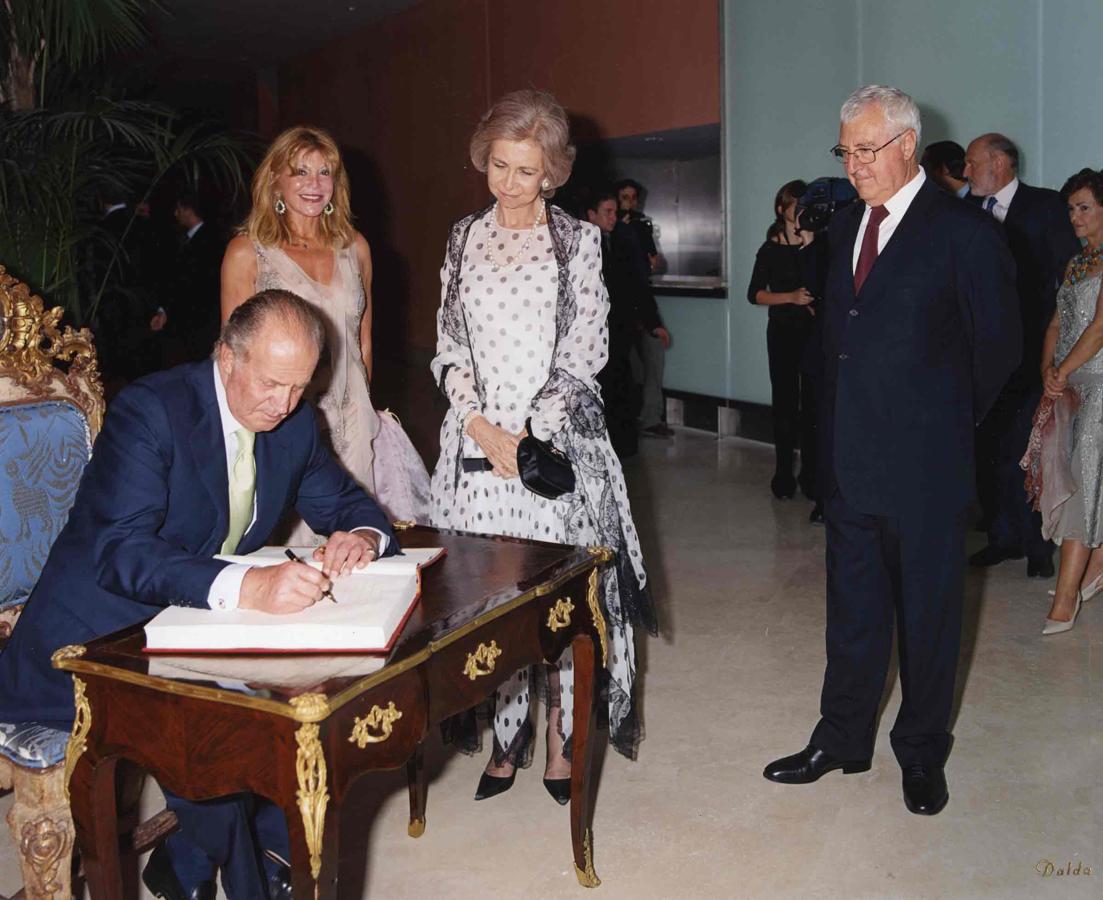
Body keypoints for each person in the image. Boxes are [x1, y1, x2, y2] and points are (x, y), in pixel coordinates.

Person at [0, 290, 398, 899]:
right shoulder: (152, 411)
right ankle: (249, 879)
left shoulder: (293, 423)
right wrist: (250, 584)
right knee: (224, 739)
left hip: (194, 631)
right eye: (271, 384)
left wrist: (362, 538)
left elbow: (347, 505)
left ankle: (193, 863)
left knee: (310, 706)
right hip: (90, 643)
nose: (284, 404)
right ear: (227, 357)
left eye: (299, 387)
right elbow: (121, 552)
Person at [763, 85, 1019, 816]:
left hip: (926, 467)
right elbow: (840, 336)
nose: (853, 164)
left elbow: (999, 347)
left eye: (866, 149)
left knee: (929, 618)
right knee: (851, 612)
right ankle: (842, 738)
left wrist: (943, 428)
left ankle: (921, 751)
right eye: (844, 151)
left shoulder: (962, 231)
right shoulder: (846, 224)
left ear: (907, 145)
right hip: (848, 461)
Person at [429, 89, 656, 804]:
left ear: (552, 172)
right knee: (490, 600)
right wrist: (478, 424)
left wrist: (528, 433)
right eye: (498, 165)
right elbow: (449, 346)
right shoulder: (462, 237)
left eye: (525, 170)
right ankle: (505, 741)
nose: (508, 182)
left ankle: (560, 743)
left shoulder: (577, 241)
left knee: (552, 602)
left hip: (548, 451)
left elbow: (584, 351)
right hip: (474, 447)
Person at [221, 125, 430, 535]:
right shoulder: (248, 253)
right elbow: (231, 355)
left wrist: (362, 409)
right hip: (283, 420)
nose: (314, 185)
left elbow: (362, 342)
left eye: (324, 173)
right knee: (294, 541)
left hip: (352, 422)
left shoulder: (356, 248)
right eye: (300, 172)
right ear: (275, 180)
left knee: (353, 538)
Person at [964, 133, 1080, 578]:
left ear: (999, 162)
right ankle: (1001, 537)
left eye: (972, 163)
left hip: (1034, 353)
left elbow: (1068, 278)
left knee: (1029, 449)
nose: (966, 172)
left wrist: (1059, 349)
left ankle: (1036, 546)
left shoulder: (1046, 207)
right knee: (988, 447)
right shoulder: (965, 211)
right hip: (980, 355)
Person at [1023, 167, 1103, 633]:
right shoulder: (1077, 262)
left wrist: (1064, 371)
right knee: (1083, 480)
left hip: (1099, 384)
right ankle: (1092, 570)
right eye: (1071, 208)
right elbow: (1056, 323)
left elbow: (1099, 328)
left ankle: (1067, 596)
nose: (1075, 217)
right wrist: (1047, 371)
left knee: (1084, 485)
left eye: (1084, 207)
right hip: (1070, 386)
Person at [747, 179, 826, 516]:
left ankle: (810, 476)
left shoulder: (816, 244)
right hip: (782, 334)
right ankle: (783, 476)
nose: (802, 210)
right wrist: (791, 298)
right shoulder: (770, 249)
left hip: (813, 335)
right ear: (782, 210)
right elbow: (754, 294)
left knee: (813, 407)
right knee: (785, 405)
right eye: (796, 205)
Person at [587, 189, 667, 459]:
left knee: (623, 383)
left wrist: (653, 323)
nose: (613, 217)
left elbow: (637, 285)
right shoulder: (583, 246)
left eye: (615, 212)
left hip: (620, 327)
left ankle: (623, 446)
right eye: (607, 212)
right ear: (592, 215)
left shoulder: (623, 239)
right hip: (594, 332)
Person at [615, 178, 672, 438]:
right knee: (629, 365)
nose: (629, 203)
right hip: (622, 307)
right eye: (624, 198)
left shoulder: (640, 226)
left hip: (641, 303)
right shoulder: (611, 230)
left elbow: (651, 263)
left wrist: (653, 262)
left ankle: (650, 418)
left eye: (633, 198)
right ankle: (630, 418)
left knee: (653, 356)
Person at [163, 191, 225, 365]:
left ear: (188, 210)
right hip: (194, 320)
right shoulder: (194, 238)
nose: (176, 214)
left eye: (178, 209)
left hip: (200, 319)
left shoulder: (207, 241)